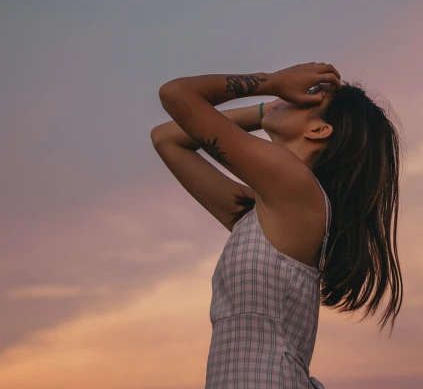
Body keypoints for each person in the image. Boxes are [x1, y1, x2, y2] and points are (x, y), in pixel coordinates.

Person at [152, 66, 404, 388]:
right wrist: (266, 110)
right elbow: (167, 139)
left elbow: (176, 95)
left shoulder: (296, 185)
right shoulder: (271, 209)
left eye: (305, 101)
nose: (287, 97)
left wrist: (273, 82)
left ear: (318, 130)